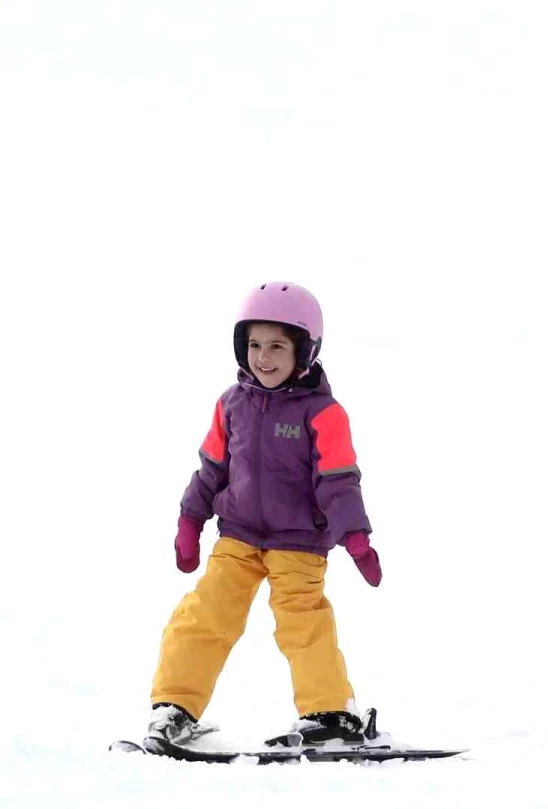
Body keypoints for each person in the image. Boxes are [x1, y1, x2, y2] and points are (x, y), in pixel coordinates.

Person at [147, 281, 384, 745]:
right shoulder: (231, 405)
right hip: (238, 536)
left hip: (298, 542)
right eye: (254, 344)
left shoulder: (324, 414)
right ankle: (175, 707)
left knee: (303, 622)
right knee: (204, 615)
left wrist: (354, 537)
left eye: (277, 345)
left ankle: (330, 713)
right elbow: (211, 469)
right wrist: (189, 520)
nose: (264, 357)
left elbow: (337, 481)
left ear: (305, 350)